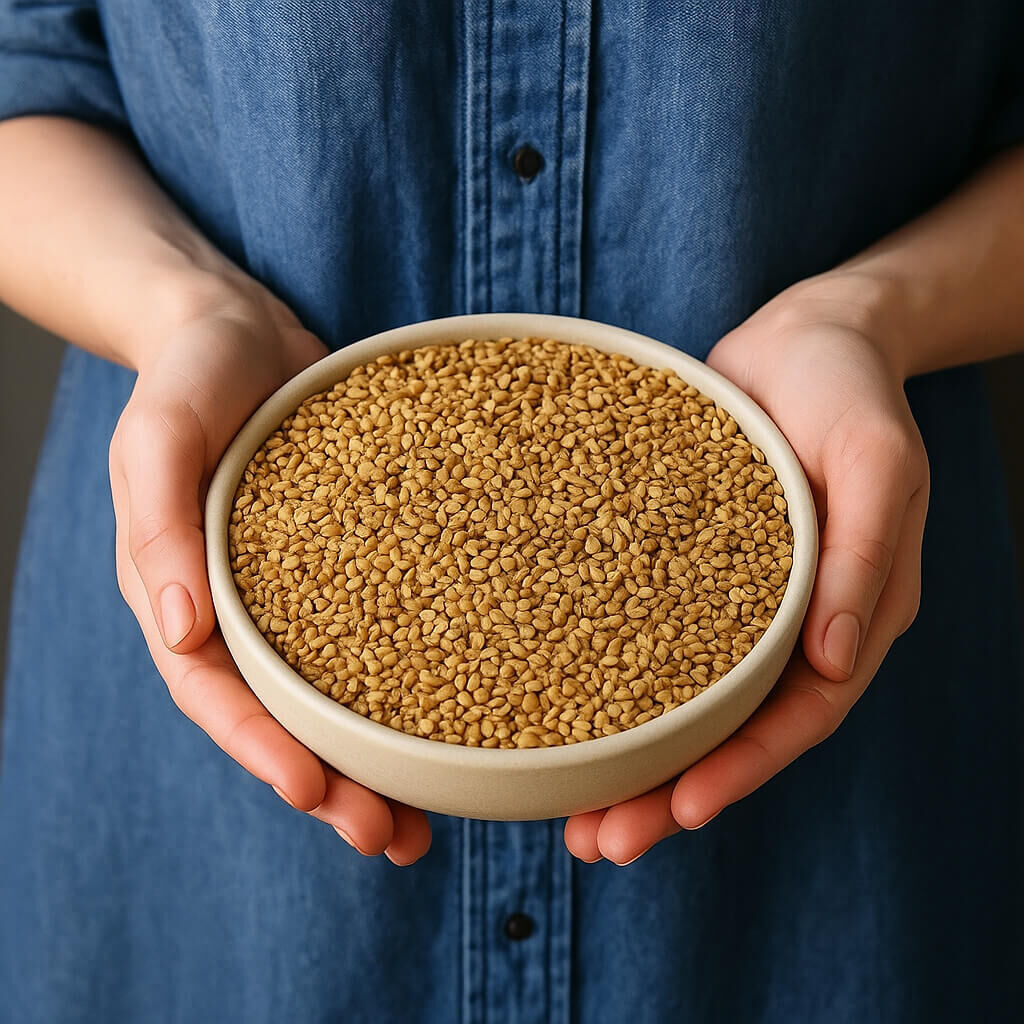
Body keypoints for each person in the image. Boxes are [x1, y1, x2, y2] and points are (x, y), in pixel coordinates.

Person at [0, 2, 1021, 1021]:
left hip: (842, 766)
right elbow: (24, 72)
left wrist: (876, 313)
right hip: (210, 816)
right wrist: (182, 307)